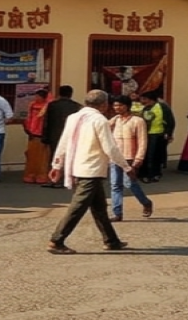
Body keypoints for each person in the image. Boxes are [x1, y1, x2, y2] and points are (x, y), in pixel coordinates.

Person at [47, 90, 132, 255]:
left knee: (99, 207)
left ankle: (111, 241)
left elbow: (63, 142)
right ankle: (56, 240)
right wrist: (126, 167)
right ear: (104, 104)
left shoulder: (73, 117)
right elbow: (110, 147)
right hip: (91, 169)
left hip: (78, 167)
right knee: (77, 207)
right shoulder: (100, 120)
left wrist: (57, 164)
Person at [108, 95, 153, 222]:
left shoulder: (137, 121)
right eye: (115, 105)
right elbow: (103, 129)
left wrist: (139, 159)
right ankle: (117, 213)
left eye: (120, 105)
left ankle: (146, 203)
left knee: (130, 184)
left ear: (127, 106)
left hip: (130, 158)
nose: (117, 108)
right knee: (115, 185)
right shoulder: (115, 120)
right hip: (115, 157)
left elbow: (143, 141)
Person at [40, 86, 83, 187]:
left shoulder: (52, 105)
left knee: (54, 157)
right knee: (70, 157)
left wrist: (44, 136)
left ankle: (53, 179)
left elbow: (46, 122)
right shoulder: (77, 106)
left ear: (59, 93)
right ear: (71, 94)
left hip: (54, 135)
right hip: (71, 135)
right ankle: (66, 180)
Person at [137, 90, 175, 182]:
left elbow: (170, 121)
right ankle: (143, 174)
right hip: (145, 134)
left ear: (151, 100)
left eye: (144, 99)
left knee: (154, 155)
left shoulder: (162, 107)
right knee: (145, 155)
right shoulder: (144, 108)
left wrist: (168, 133)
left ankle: (154, 174)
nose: (142, 101)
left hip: (158, 135)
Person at [21, 88, 50, 183]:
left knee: (43, 158)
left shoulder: (48, 106)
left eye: (38, 96)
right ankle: (30, 175)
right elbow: (28, 118)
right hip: (32, 134)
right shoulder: (32, 105)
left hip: (43, 135)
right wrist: (27, 129)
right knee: (31, 156)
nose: (36, 98)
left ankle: (41, 176)